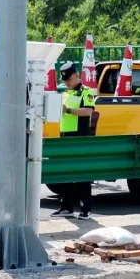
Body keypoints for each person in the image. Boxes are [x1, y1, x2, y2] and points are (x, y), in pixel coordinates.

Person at [52, 61, 97, 221]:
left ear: (76, 76)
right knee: (64, 172)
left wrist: (69, 110)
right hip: (65, 136)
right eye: (64, 81)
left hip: (79, 136)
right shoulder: (65, 93)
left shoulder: (86, 92)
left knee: (81, 172)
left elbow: (88, 111)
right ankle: (66, 207)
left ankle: (86, 209)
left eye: (69, 80)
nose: (67, 83)